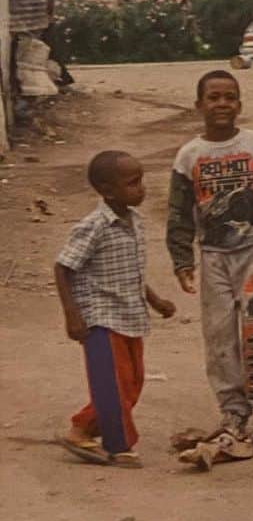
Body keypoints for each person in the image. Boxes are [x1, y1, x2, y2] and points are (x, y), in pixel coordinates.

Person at [167, 70, 253, 447]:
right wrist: (182, 259)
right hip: (213, 258)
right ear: (199, 105)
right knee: (219, 335)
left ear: (239, 104)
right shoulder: (189, 155)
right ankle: (234, 412)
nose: (222, 104)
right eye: (214, 97)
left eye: (230, 97)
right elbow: (179, 213)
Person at [55, 150, 176, 468]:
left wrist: (155, 300)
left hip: (129, 314)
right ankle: (118, 446)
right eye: (133, 183)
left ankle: (81, 429)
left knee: (132, 382)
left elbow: (132, 271)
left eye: (141, 181)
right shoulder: (93, 226)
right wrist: (72, 314)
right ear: (108, 191)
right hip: (100, 317)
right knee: (113, 383)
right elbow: (63, 267)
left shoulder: (134, 221)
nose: (142, 189)